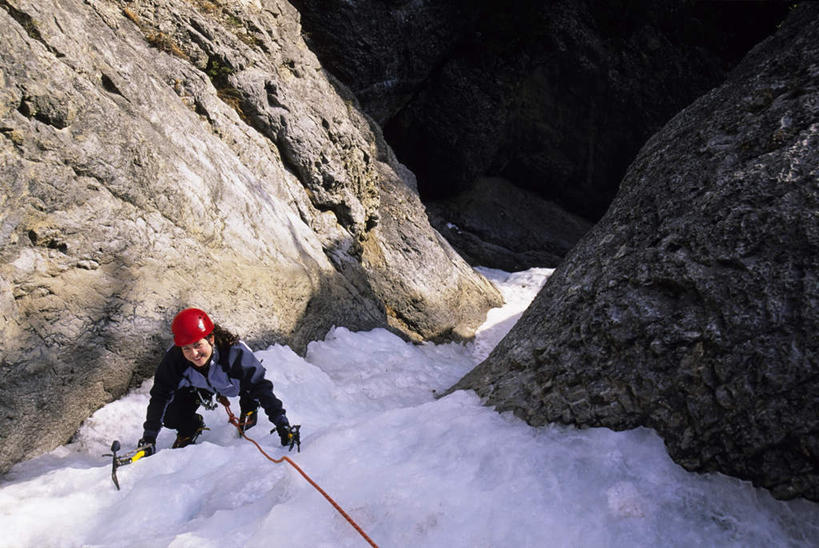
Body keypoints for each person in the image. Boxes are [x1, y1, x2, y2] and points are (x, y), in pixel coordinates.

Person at [137, 307, 295, 455]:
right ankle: (191, 427)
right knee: (170, 416)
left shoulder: (234, 353)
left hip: (233, 383)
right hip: (200, 387)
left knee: (251, 391)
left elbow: (261, 387)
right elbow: (160, 396)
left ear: (211, 339)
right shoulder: (175, 360)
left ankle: (249, 405)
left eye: (198, 345)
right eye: (186, 348)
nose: (194, 354)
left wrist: (282, 422)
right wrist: (149, 437)